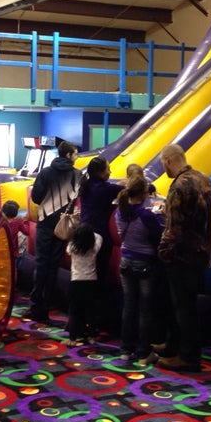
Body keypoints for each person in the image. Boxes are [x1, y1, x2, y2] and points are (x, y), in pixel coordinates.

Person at [156, 143, 211, 373]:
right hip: (201, 252)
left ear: (169, 160)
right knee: (183, 305)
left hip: (180, 255)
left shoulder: (179, 185)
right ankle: (173, 346)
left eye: (163, 163)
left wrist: (163, 249)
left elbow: (175, 227)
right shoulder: (204, 180)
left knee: (182, 307)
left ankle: (188, 356)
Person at [28, 140, 81, 323]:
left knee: (41, 264)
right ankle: (47, 304)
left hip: (44, 221)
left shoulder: (45, 172)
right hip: (63, 224)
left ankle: (36, 306)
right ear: (68, 155)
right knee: (53, 266)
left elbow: (35, 197)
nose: (76, 157)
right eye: (75, 153)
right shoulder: (77, 174)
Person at [115, 174, 165, 366]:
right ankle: (144, 353)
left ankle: (125, 349)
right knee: (145, 309)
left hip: (125, 260)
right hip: (144, 263)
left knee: (129, 307)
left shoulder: (121, 212)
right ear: (145, 194)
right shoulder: (146, 215)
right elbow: (157, 237)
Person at [78, 156, 125, 332]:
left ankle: (81, 320)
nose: (110, 172)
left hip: (83, 234)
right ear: (99, 172)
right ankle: (95, 320)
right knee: (98, 278)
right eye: (107, 169)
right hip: (98, 236)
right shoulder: (104, 189)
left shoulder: (87, 185)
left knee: (84, 277)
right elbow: (132, 190)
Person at [65, 221, 102, 346]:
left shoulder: (72, 247)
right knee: (90, 310)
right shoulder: (94, 248)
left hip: (76, 281)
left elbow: (70, 240)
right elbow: (98, 237)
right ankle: (91, 336)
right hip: (91, 281)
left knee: (74, 310)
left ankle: (72, 338)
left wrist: (77, 231)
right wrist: (89, 233)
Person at [1, 199, 29, 272]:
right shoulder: (17, 222)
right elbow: (27, 231)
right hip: (13, 253)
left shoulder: (0, 223)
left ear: (3, 212)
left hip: (2, 253)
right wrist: (26, 221)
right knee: (13, 270)